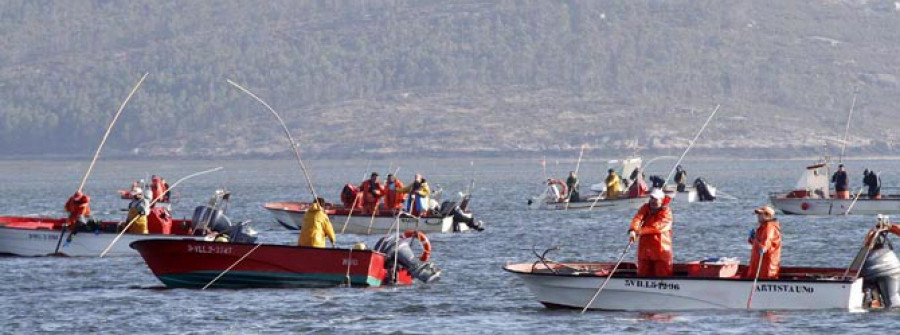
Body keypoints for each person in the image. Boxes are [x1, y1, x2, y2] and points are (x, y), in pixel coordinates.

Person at [628, 189, 674, 277]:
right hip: (645, 250)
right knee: (642, 274)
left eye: (656, 199)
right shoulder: (645, 208)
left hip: (660, 251)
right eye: (652, 198)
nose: (653, 201)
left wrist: (639, 231)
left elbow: (658, 227)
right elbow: (637, 218)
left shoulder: (667, 212)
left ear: (662, 200)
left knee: (663, 275)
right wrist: (632, 230)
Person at [746, 206, 782, 279]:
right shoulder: (762, 227)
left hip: (765, 266)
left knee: (764, 277)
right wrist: (752, 239)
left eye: (760, 214)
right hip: (758, 263)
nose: (758, 216)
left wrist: (763, 247)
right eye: (758, 214)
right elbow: (759, 242)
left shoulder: (770, 227)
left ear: (767, 216)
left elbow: (767, 241)